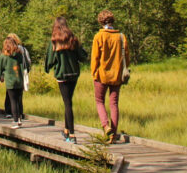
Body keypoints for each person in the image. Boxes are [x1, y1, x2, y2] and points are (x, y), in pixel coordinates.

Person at [45, 16, 89, 143]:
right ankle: (66, 130)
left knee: (67, 104)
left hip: (62, 75)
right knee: (68, 102)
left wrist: (47, 67)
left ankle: (72, 135)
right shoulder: (73, 39)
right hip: (74, 74)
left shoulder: (54, 41)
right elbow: (82, 56)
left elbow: (50, 60)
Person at [91, 9, 129, 143]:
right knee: (114, 104)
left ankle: (105, 126)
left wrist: (94, 72)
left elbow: (95, 57)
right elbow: (127, 57)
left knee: (99, 101)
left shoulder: (99, 36)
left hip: (101, 75)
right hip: (117, 76)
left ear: (101, 22)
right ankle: (113, 134)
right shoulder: (121, 37)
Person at [0, 35, 25, 128]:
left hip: (10, 81)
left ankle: (15, 121)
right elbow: (22, 66)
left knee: (13, 101)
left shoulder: (3, 56)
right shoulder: (19, 55)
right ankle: (19, 118)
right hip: (19, 80)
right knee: (18, 100)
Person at [4, 33, 30, 118]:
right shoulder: (23, 49)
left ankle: (9, 112)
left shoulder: (7, 51)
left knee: (10, 95)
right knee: (19, 95)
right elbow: (28, 61)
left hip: (11, 75)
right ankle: (20, 113)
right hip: (20, 74)